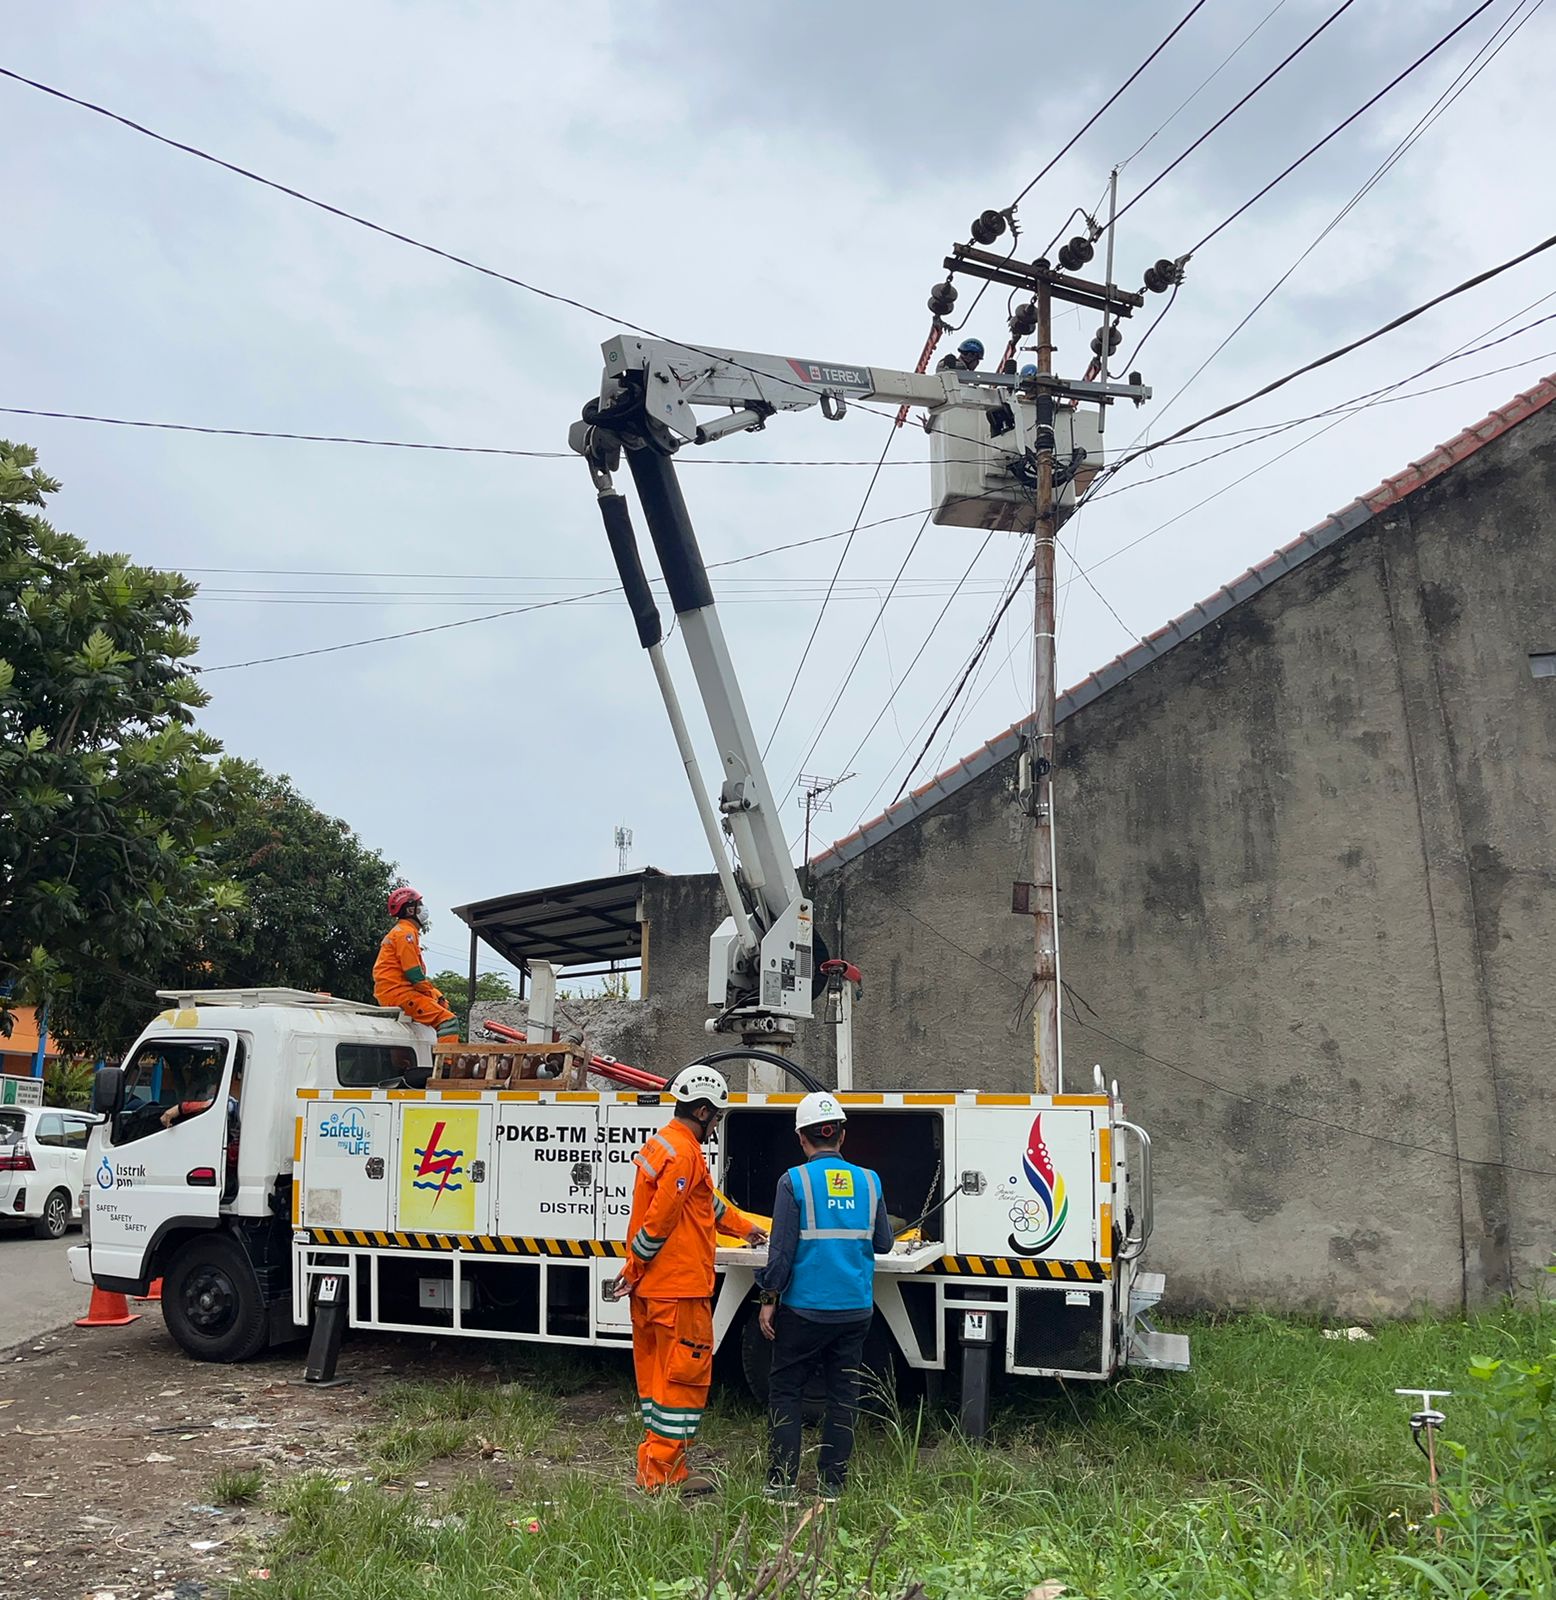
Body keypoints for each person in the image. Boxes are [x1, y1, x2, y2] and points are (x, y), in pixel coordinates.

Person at [605, 1064, 768, 1495]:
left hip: (654, 1291)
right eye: (715, 1116)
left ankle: (657, 1465)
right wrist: (635, 1266)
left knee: (658, 1380)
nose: (715, 1124)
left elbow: (705, 1204)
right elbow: (660, 1219)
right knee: (684, 1380)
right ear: (701, 1110)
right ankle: (662, 1472)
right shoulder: (683, 1154)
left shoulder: (665, 1145)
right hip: (678, 1290)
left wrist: (744, 1225)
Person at [755, 1091, 892, 1503]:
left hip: (805, 1310)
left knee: (786, 1392)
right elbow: (883, 1243)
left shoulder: (792, 1181)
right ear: (842, 1136)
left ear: (801, 1138)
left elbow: (780, 1252)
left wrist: (768, 1297)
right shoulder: (870, 1181)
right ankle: (833, 1485)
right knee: (843, 1395)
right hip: (855, 1310)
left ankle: (781, 1484)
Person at [372, 887, 459, 1045]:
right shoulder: (405, 935)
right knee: (449, 1021)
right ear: (410, 909)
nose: (423, 908)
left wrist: (435, 995)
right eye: (420, 904)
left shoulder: (404, 932)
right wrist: (430, 994)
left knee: (442, 1003)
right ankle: (446, 1066)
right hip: (399, 994)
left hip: (398, 991)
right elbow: (415, 976)